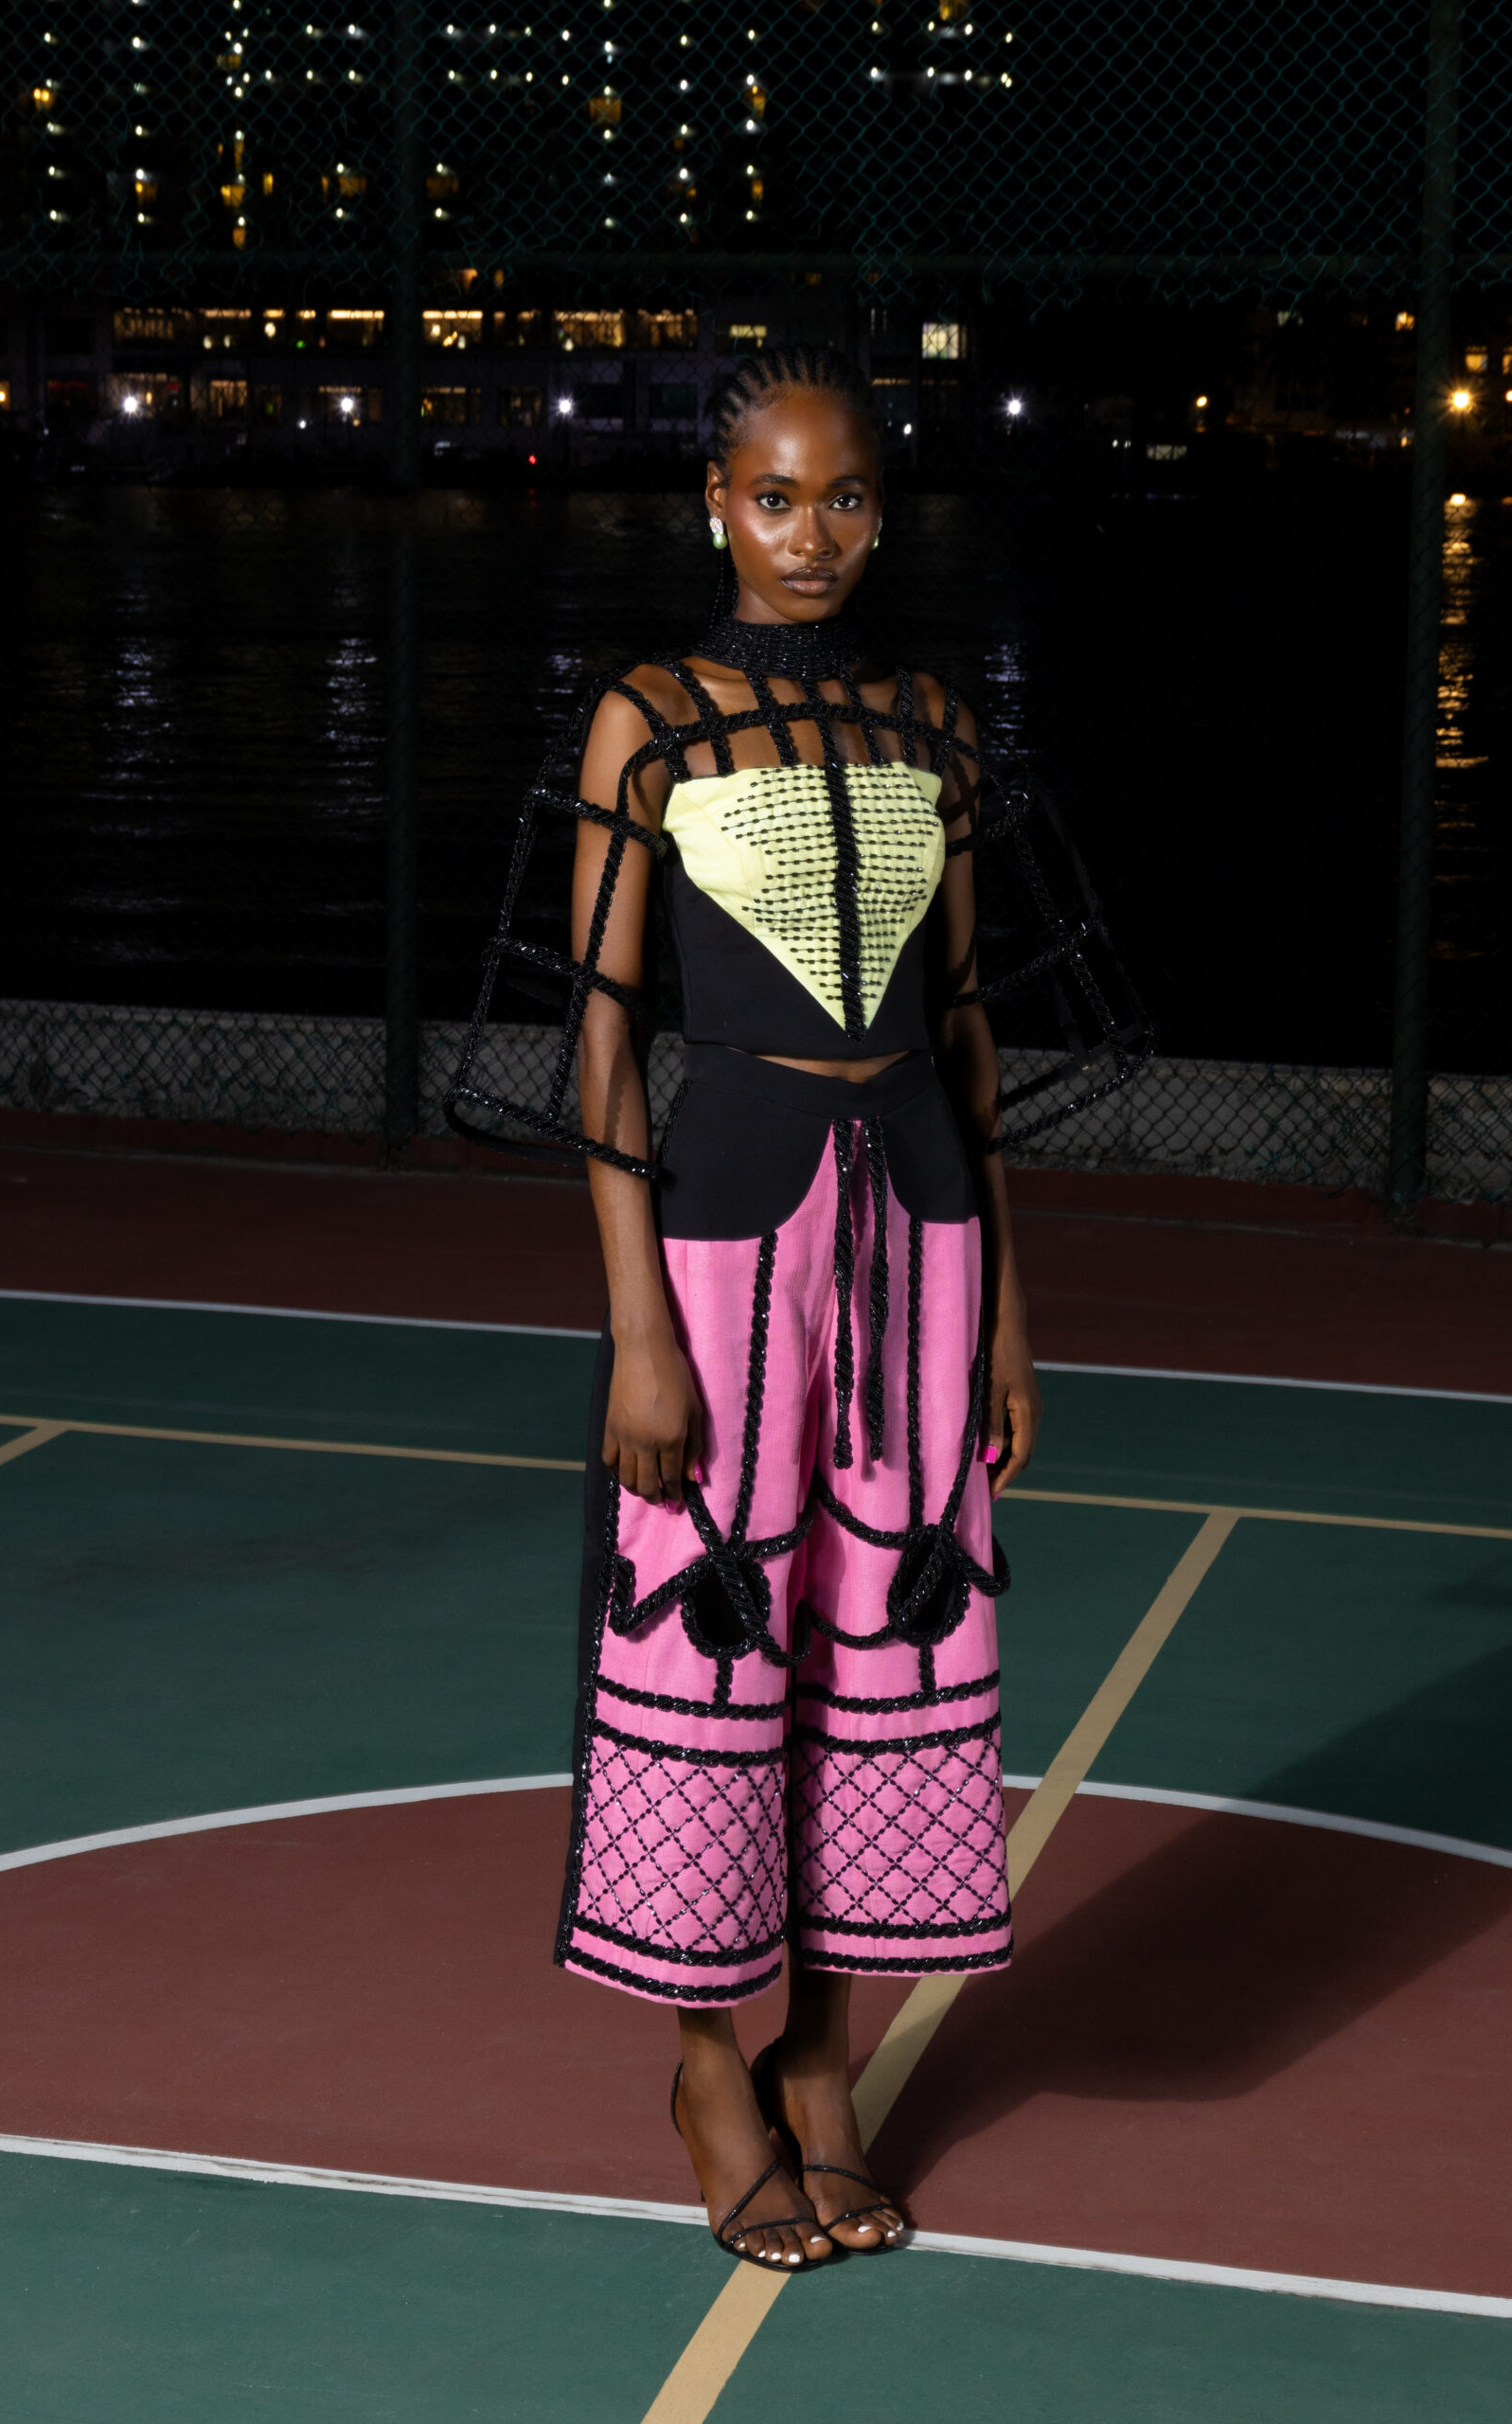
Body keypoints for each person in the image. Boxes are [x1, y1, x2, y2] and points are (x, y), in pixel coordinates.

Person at [450, 346, 1145, 2270]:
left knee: (884, 1640)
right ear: (714, 504)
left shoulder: (932, 725)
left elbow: (965, 1031)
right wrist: (638, 1332)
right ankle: (706, 2069)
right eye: (773, 495)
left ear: (880, 512)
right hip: (727, 1238)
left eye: (844, 497)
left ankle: (823, 2059)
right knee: (711, 1639)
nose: (810, 532)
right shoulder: (653, 720)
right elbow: (602, 1048)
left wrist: (1008, 1310)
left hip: (921, 1228)